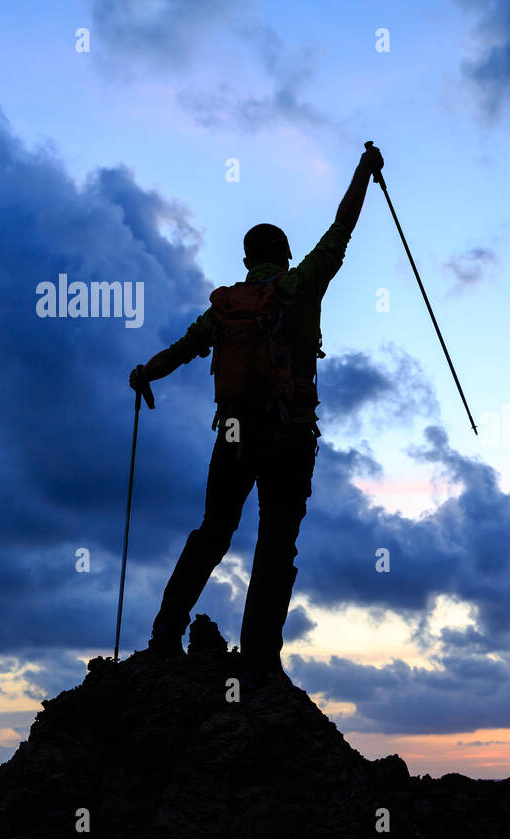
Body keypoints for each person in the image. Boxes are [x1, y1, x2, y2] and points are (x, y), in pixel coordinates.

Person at [128, 143, 385, 679]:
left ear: (247, 261)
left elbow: (181, 348)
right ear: (287, 255)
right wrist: (363, 171)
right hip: (289, 433)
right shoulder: (301, 285)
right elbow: (342, 230)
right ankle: (259, 659)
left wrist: (145, 373)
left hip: (234, 430)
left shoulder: (226, 309)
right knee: (275, 543)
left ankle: (164, 636)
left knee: (214, 531)